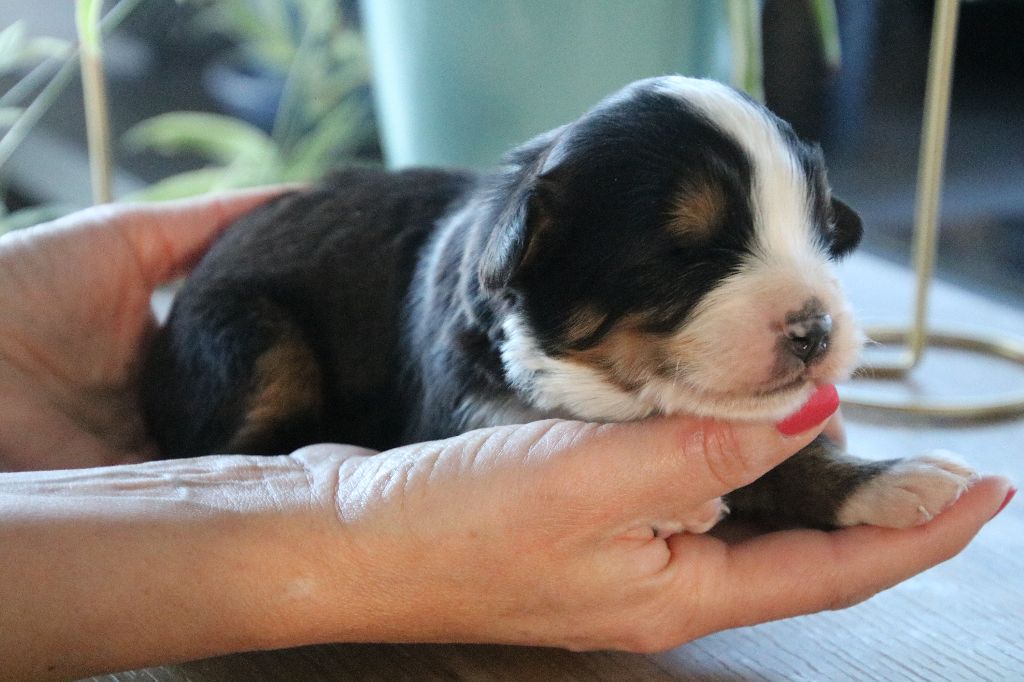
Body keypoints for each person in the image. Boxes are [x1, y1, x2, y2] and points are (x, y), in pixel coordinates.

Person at [0, 190, 1013, 681]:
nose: (806, 310)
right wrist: (313, 535)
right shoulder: (492, 334)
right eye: (687, 259)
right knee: (265, 373)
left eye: (805, 242)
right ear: (531, 265)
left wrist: (827, 480)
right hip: (257, 327)